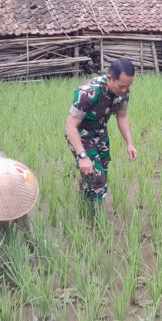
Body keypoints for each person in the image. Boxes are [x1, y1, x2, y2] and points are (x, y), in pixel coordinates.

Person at [65, 58, 138, 216]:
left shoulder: (123, 92)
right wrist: (82, 156)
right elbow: (70, 126)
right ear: (110, 78)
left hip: (100, 133)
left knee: (101, 172)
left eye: (128, 86)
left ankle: (86, 196)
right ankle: (95, 218)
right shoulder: (87, 92)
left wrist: (129, 144)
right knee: (98, 177)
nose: (125, 90)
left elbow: (122, 116)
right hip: (81, 135)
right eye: (122, 86)